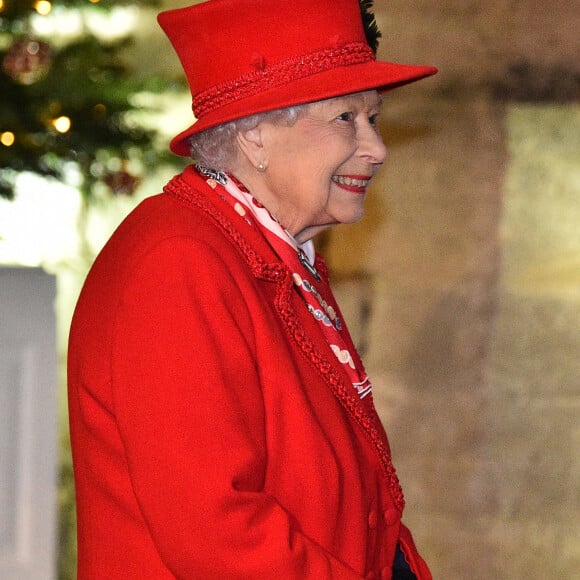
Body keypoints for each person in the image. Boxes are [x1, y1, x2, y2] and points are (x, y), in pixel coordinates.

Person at [67, 0, 437, 578]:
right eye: (346, 118)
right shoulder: (176, 264)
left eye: (375, 118)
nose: (377, 148)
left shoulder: (268, 252)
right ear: (256, 135)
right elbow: (219, 534)